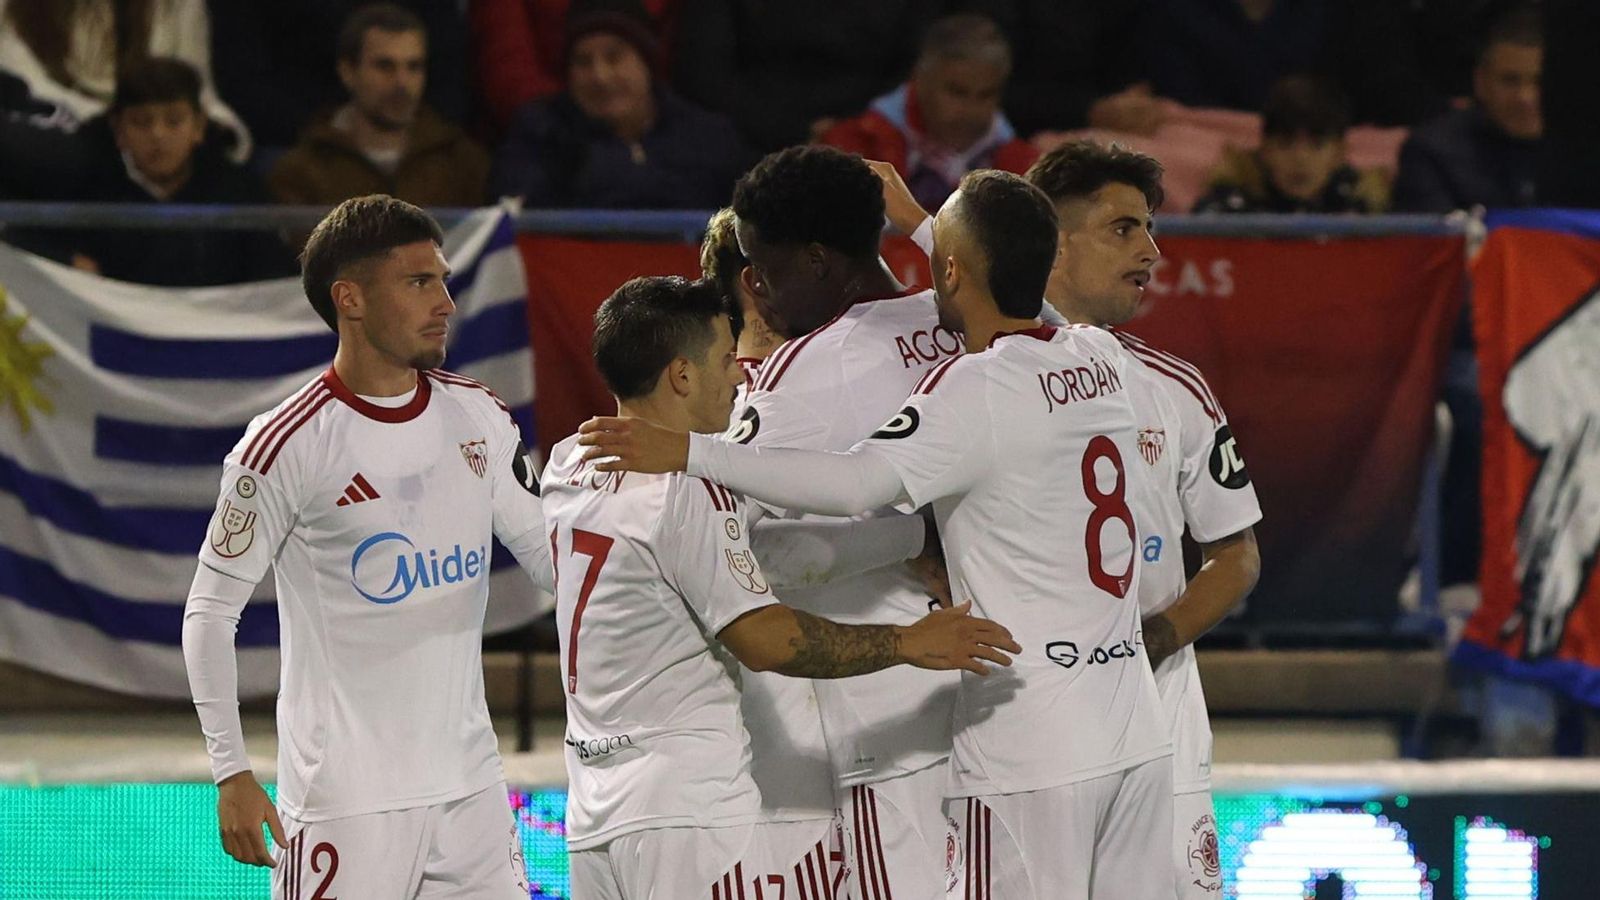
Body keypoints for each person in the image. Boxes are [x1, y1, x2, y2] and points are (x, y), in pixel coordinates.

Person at [578, 170, 1177, 899]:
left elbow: (828, 500)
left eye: (764, 268)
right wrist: (925, 223)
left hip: (986, 737)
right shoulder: (1098, 356)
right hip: (1130, 725)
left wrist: (687, 452)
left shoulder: (919, 383)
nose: (757, 290)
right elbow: (1036, 309)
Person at [873, 140, 1264, 898]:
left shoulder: (1172, 386)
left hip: (1157, 735)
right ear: (1049, 242)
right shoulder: (969, 384)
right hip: (1030, 730)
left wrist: (1146, 640)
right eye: (1122, 228)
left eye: (1150, 228)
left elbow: (1236, 554)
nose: (1151, 251)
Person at [545, 274, 1018, 896]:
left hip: (591, 809)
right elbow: (769, 641)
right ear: (682, 376)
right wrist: (909, 642)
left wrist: (904, 540)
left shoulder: (566, 463)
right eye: (724, 360)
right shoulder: (689, 490)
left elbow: (760, 556)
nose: (739, 377)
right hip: (686, 814)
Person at [181, 195, 552, 898]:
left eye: (443, 280)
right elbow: (209, 612)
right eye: (419, 282)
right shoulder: (284, 445)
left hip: (472, 790)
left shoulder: (478, 414)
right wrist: (231, 771)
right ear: (348, 298)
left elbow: (554, 562)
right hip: (346, 805)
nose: (445, 302)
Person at [711, 145, 969, 898]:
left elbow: (725, 545)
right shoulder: (969, 326)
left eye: (762, 264)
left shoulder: (806, 376)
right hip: (1010, 703)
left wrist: (906, 537)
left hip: (891, 719)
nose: (754, 286)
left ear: (819, 260)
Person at [489, 0, 749, 209]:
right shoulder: (538, 138)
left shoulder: (709, 139)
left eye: (614, 57)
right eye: (583, 61)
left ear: (646, 62)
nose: (600, 76)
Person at [65, 58, 292, 286]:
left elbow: (271, 274)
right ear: (118, 130)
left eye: (173, 121)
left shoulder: (239, 191)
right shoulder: (86, 188)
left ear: (198, 126)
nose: (158, 134)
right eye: (141, 122)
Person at [269, 3, 489, 209]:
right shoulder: (301, 172)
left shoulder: (463, 164)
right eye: (385, 66)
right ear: (348, 71)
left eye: (413, 67)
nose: (402, 82)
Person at [820, 14, 1038, 211]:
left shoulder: (1025, 167)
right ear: (920, 79)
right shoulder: (854, 148)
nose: (971, 109)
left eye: (986, 94)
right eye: (957, 92)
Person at [0, 0, 252, 162]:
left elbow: (194, 85)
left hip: (154, 129)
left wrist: (217, 128)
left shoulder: (178, 6)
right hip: (66, 131)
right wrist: (114, 126)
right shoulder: (16, 8)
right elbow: (27, 82)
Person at [1392, 5, 1541, 212]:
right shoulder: (1432, 155)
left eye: (1540, 81)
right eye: (1510, 81)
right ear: (1480, 81)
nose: (1525, 97)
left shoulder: (1582, 151)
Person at [1193, 75, 1388, 214]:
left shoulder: (1362, 209)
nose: (1300, 159)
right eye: (1285, 145)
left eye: (1316, 146)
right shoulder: (1226, 210)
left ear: (1339, 153)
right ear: (1265, 150)